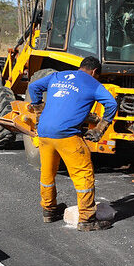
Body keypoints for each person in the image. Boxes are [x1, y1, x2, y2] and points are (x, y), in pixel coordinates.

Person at [27, 56, 117, 231]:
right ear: (94, 72)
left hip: (44, 132)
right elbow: (112, 104)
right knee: (83, 175)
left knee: (47, 173)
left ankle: (49, 210)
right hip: (67, 135)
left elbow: (34, 86)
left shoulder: (58, 76)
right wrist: (100, 128)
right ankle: (87, 220)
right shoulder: (93, 83)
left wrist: (38, 109)